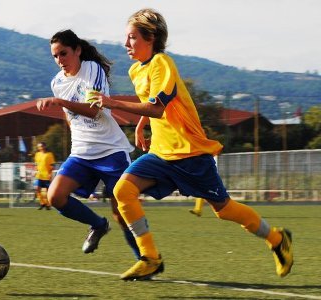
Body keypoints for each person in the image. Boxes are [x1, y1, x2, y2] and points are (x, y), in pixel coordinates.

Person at [90, 8, 293, 280]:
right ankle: (150, 257)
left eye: (132, 38)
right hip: (162, 153)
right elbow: (151, 104)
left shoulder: (163, 63)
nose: (126, 44)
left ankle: (277, 238)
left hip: (190, 153)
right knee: (123, 191)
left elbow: (158, 107)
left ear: (150, 37)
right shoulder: (137, 70)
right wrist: (141, 124)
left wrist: (112, 102)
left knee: (224, 210)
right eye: (126, 38)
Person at [36, 29, 140, 258]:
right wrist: (76, 132)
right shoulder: (57, 83)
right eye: (55, 56)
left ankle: (145, 259)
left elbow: (94, 111)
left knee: (122, 212)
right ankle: (97, 225)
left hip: (111, 151)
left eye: (63, 53)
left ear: (78, 50)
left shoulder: (92, 69)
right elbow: (68, 114)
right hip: (82, 153)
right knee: (55, 196)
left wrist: (59, 101)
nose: (59, 60)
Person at [34, 142, 55, 210]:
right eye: (39, 146)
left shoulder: (49, 154)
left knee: (48, 191)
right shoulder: (37, 154)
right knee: (37, 189)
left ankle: (48, 204)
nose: (40, 148)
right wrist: (35, 171)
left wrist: (50, 173)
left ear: (45, 146)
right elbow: (36, 164)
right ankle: (42, 203)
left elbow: (52, 165)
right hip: (39, 175)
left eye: (42, 146)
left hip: (46, 175)